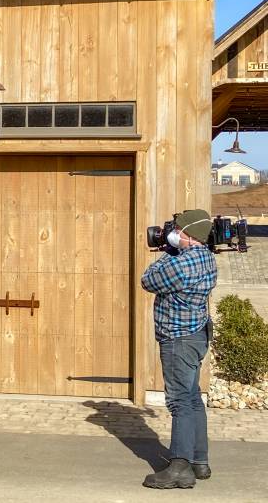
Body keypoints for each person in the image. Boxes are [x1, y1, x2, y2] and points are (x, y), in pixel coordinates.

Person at [141, 209, 217, 489]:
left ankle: (179, 468)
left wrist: (167, 252)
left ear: (190, 235)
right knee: (193, 398)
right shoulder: (206, 257)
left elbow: (148, 280)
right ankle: (200, 461)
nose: (174, 234)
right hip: (196, 335)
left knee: (180, 402)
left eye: (178, 231)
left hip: (178, 338)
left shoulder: (180, 265)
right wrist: (175, 249)